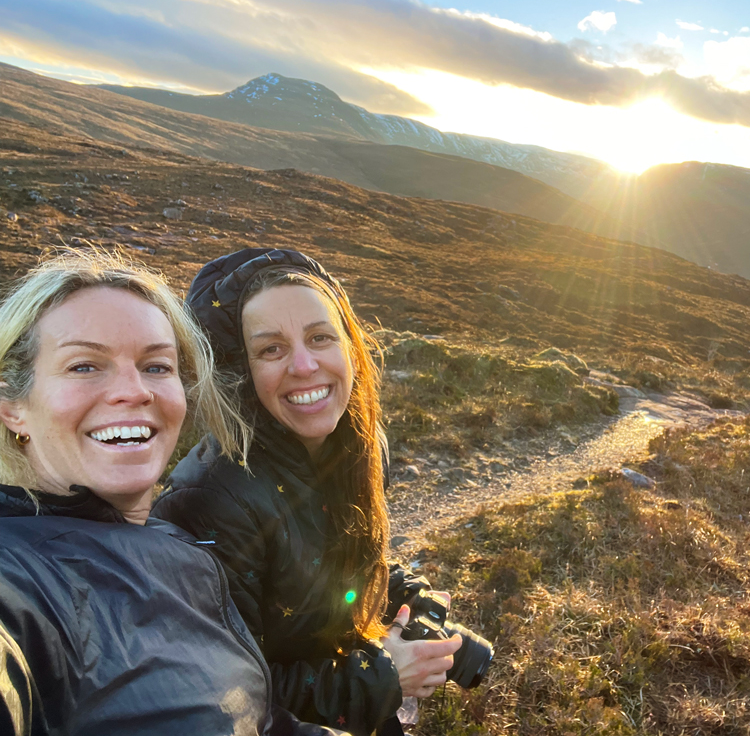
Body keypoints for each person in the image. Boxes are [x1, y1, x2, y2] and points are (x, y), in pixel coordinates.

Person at [0, 250, 343, 736]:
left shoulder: (181, 550)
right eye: (84, 366)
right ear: (12, 406)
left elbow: (259, 721)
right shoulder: (19, 578)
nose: (134, 390)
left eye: (157, 366)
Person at [151, 249, 461, 736]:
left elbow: (340, 566)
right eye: (271, 349)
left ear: (350, 346)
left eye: (320, 337)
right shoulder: (210, 502)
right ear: (239, 372)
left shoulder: (360, 444)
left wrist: (411, 600)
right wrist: (382, 677)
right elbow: (221, 691)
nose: (304, 364)